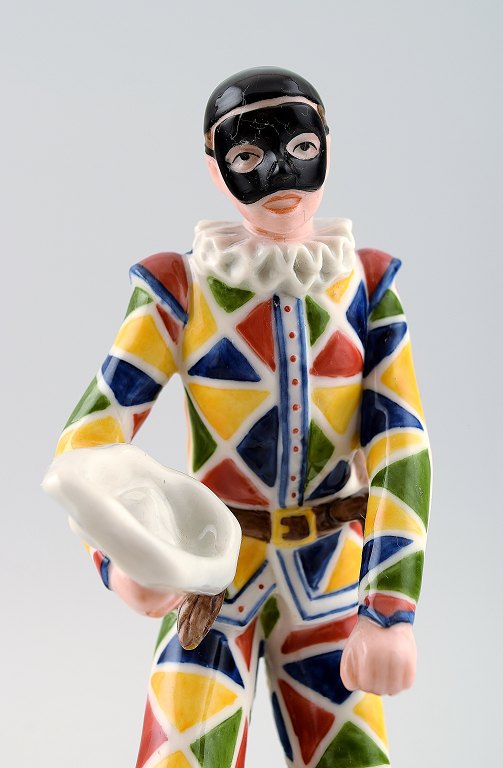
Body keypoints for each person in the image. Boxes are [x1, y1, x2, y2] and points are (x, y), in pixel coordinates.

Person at [46, 67, 431, 768]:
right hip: (210, 583)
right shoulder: (179, 290)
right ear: (214, 168)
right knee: (180, 758)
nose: (280, 172)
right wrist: (122, 557)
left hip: (331, 583)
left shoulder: (369, 287)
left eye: (301, 148)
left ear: (328, 146)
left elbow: (400, 445)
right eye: (249, 155)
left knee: (355, 758)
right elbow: (89, 440)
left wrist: (389, 608)